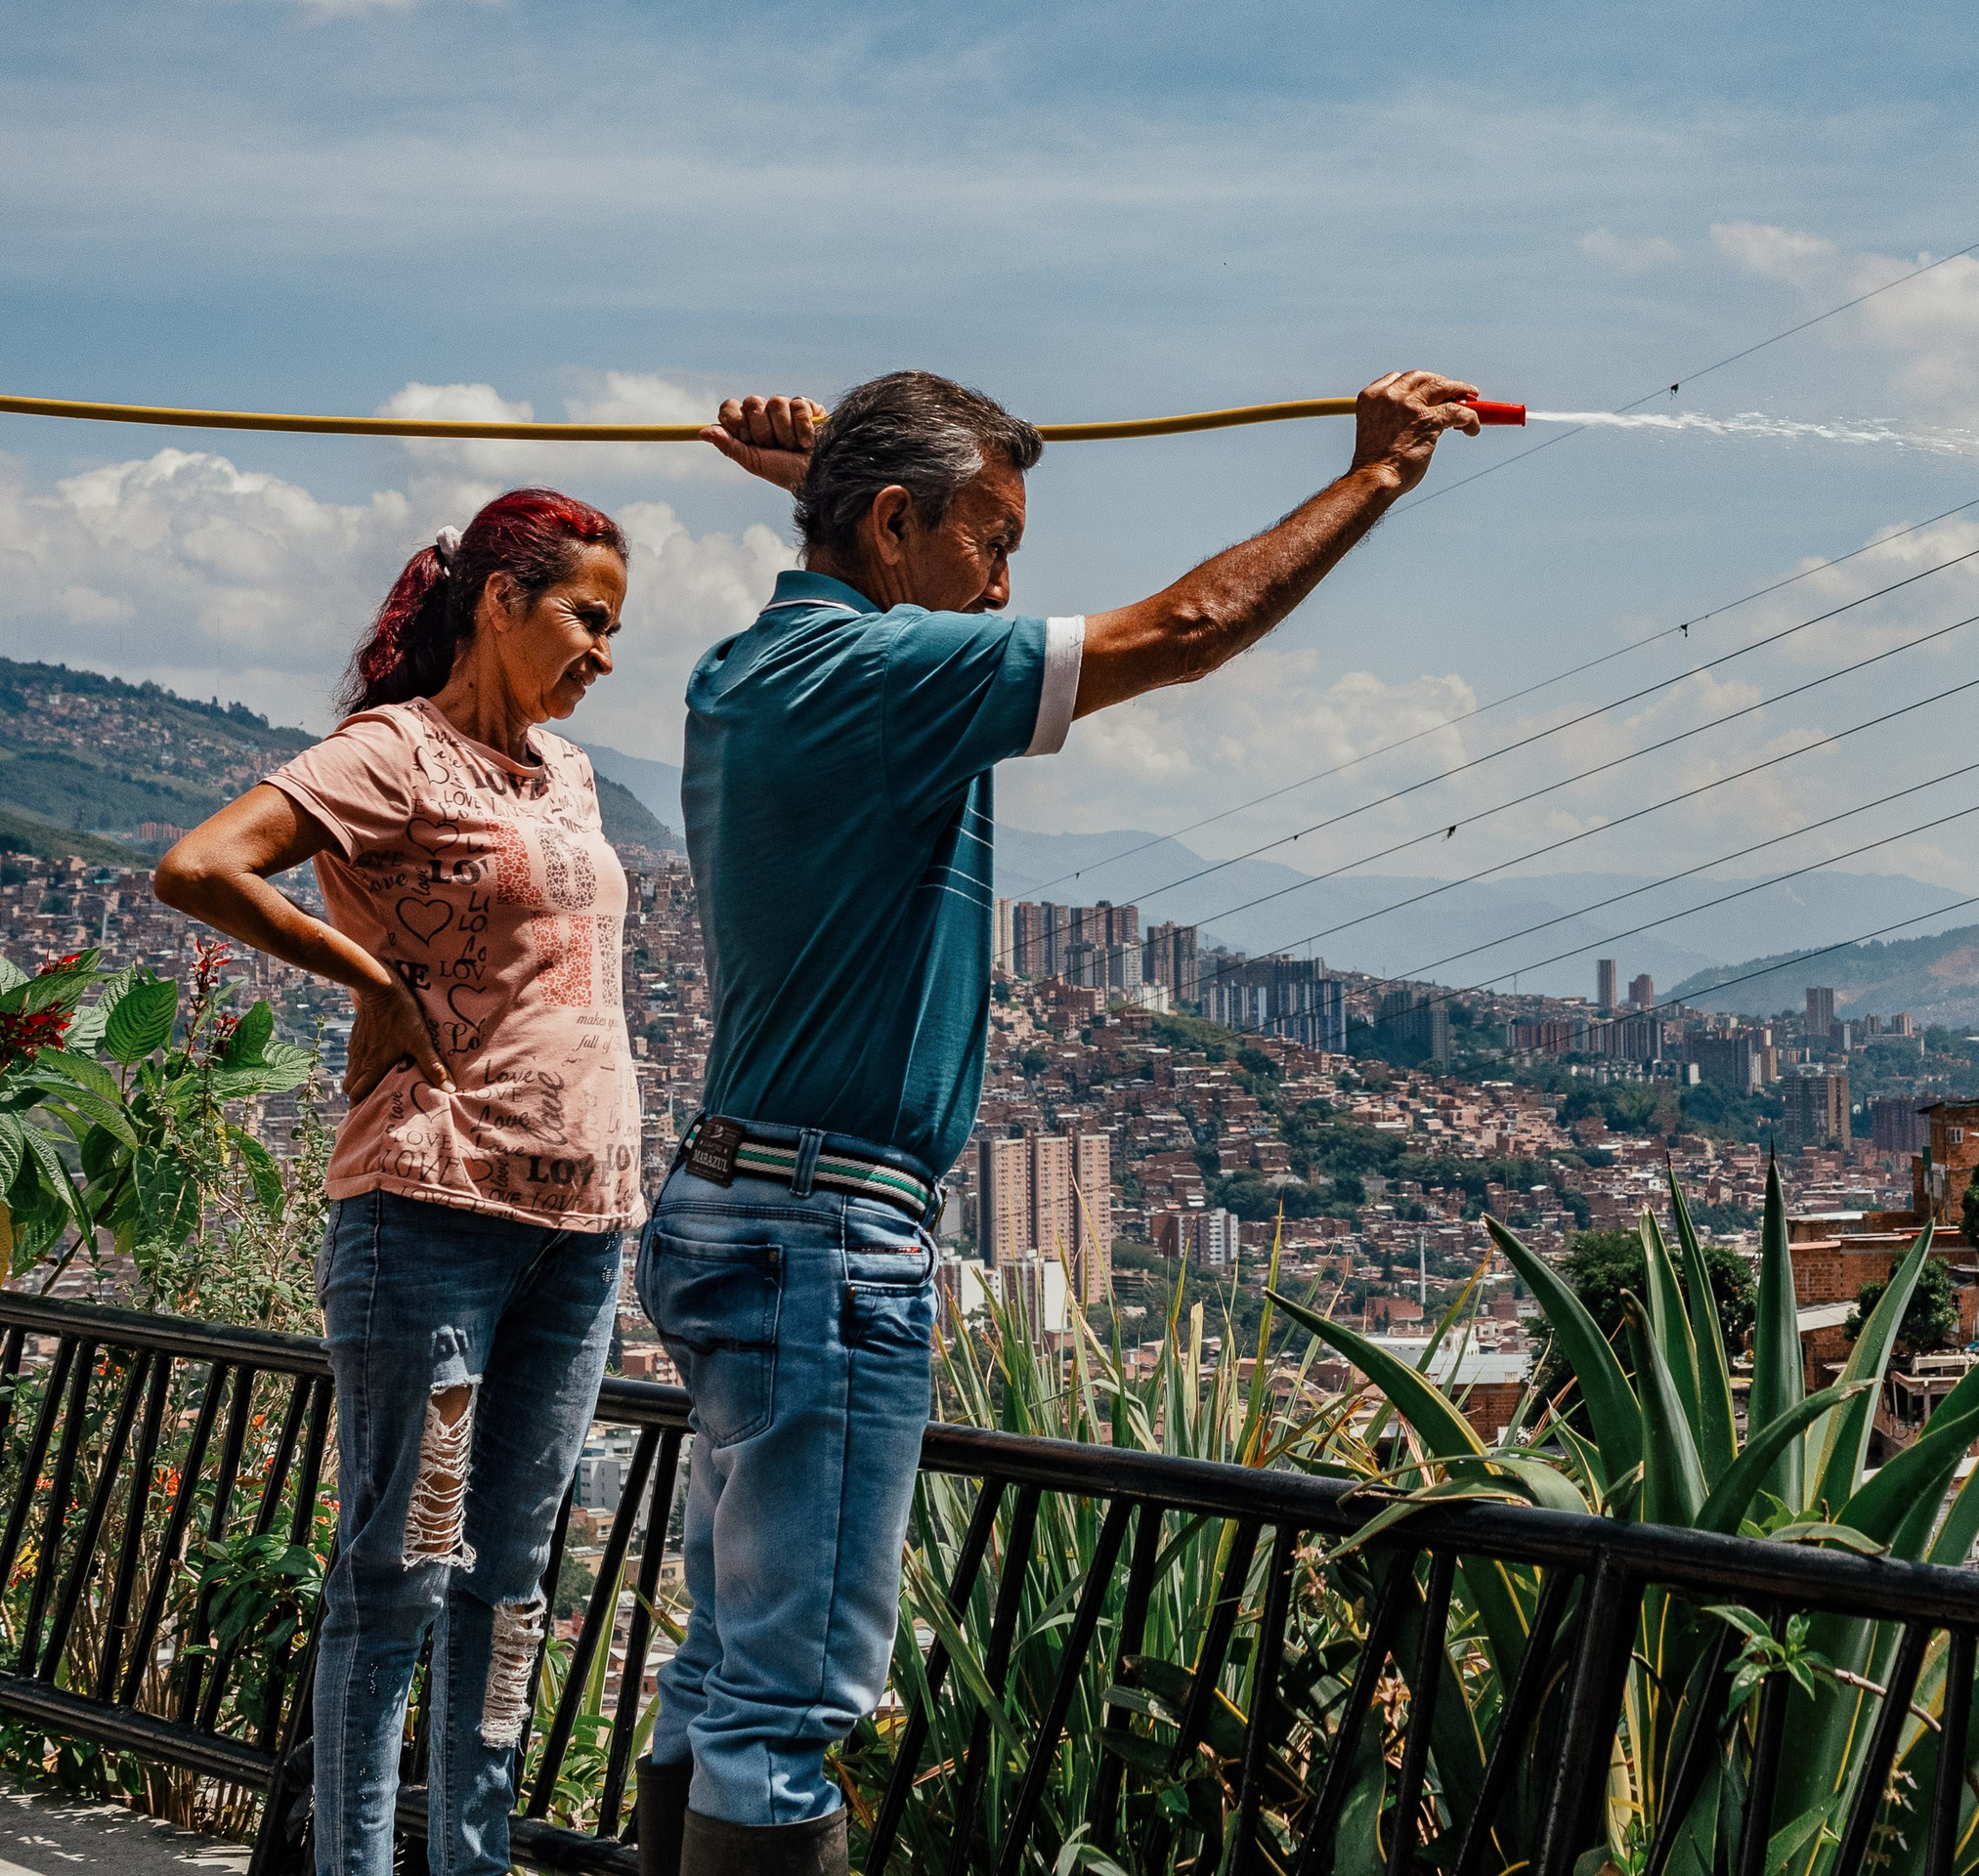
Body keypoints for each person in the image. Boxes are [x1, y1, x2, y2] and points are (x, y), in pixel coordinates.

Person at [636, 369, 1481, 1876]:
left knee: (720, 1677)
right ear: (896, 524)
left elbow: (877, 580)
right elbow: (1188, 629)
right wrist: (1380, 480)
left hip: (726, 1209)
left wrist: (823, 499)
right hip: (825, 1236)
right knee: (789, 1709)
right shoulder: (886, 680)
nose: (1010, 583)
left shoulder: (750, 671)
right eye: (992, 538)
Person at [154, 489, 649, 1876]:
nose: (605, 653)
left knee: (511, 1586)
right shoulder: (392, 754)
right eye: (588, 619)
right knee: (400, 1576)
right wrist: (363, 975)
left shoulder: (572, 774)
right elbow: (201, 867)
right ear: (502, 600)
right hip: (432, 1214)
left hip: (584, 1229)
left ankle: (471, 1860)